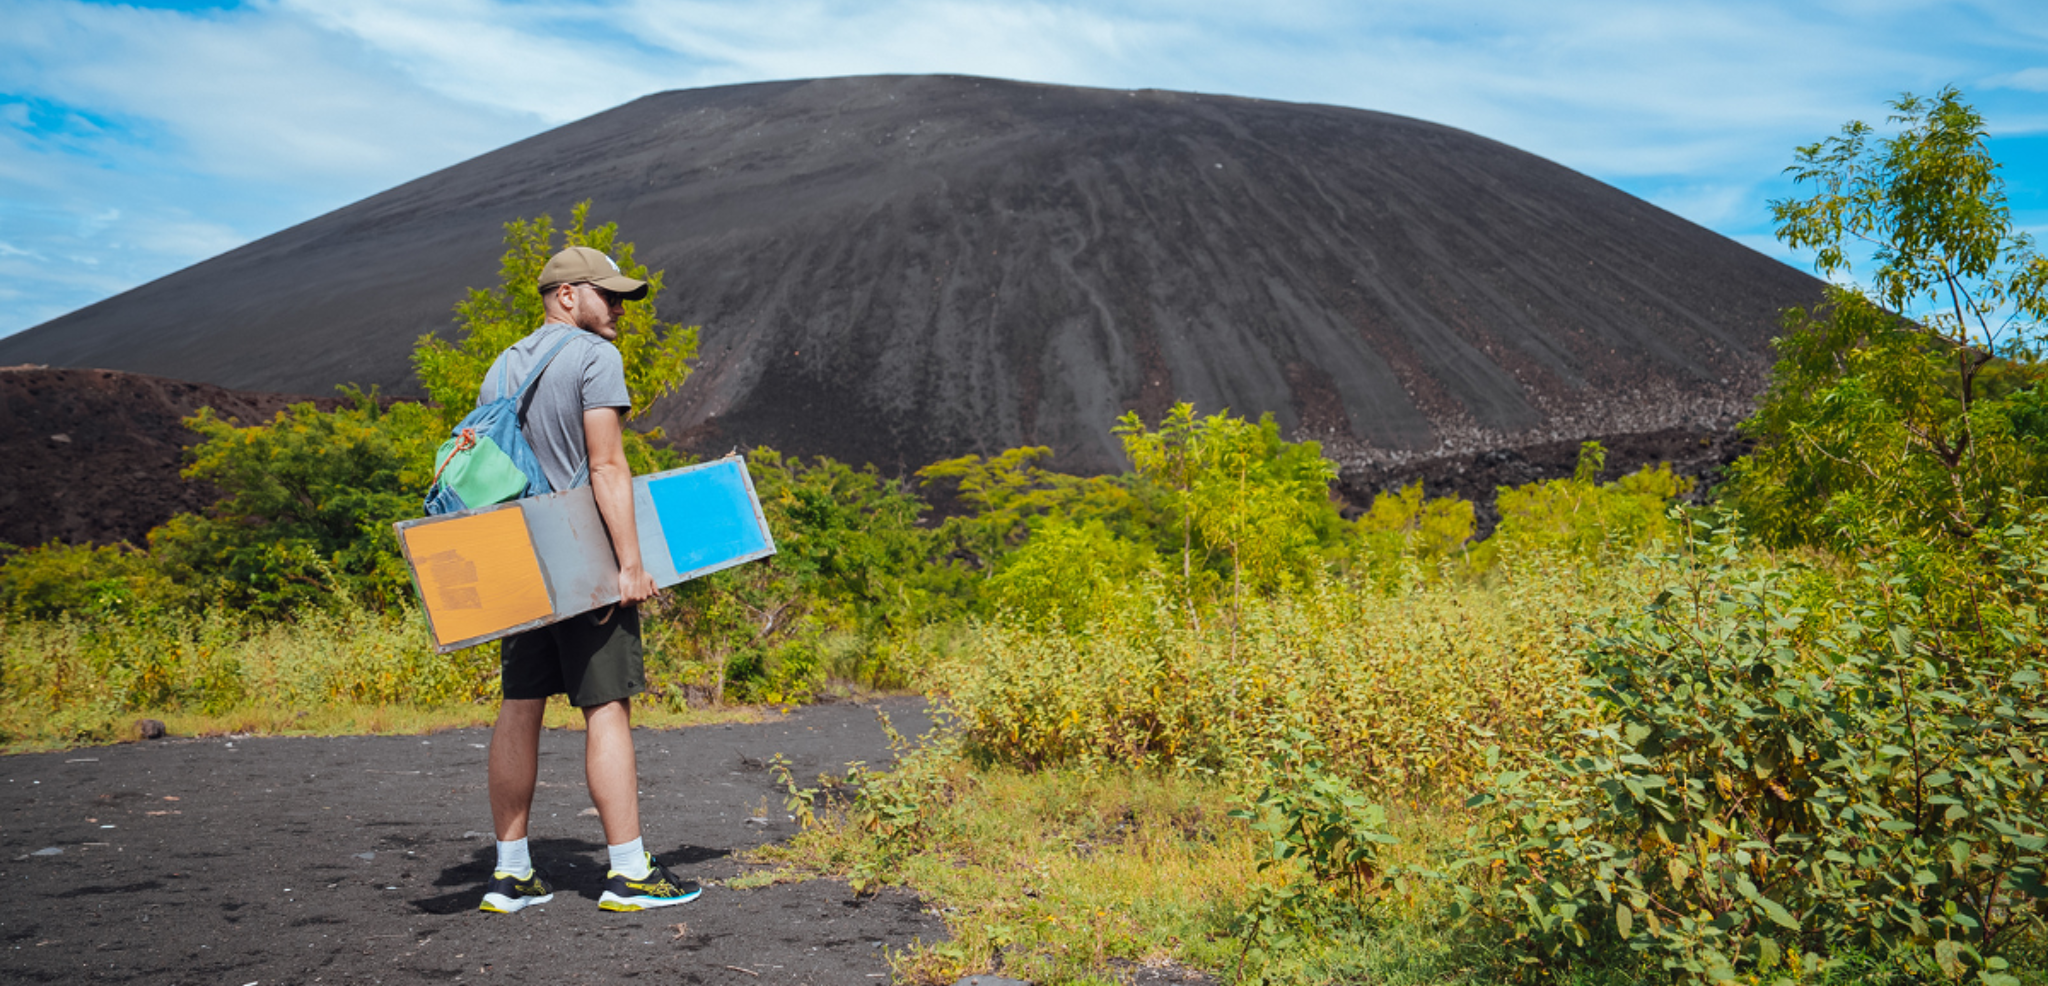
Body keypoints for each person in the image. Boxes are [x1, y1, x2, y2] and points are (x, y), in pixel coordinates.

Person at [476, 245, 700, 914]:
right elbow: (606, 467)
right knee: (606, 707)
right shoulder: (595, 357)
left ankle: (511, 874)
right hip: (582, 557)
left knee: (521, 706)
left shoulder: (502, 366)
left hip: (520, 556)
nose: (620, 310)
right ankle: (629, 872)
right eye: (609, 296)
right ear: (567, 296)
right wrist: (630, 565)